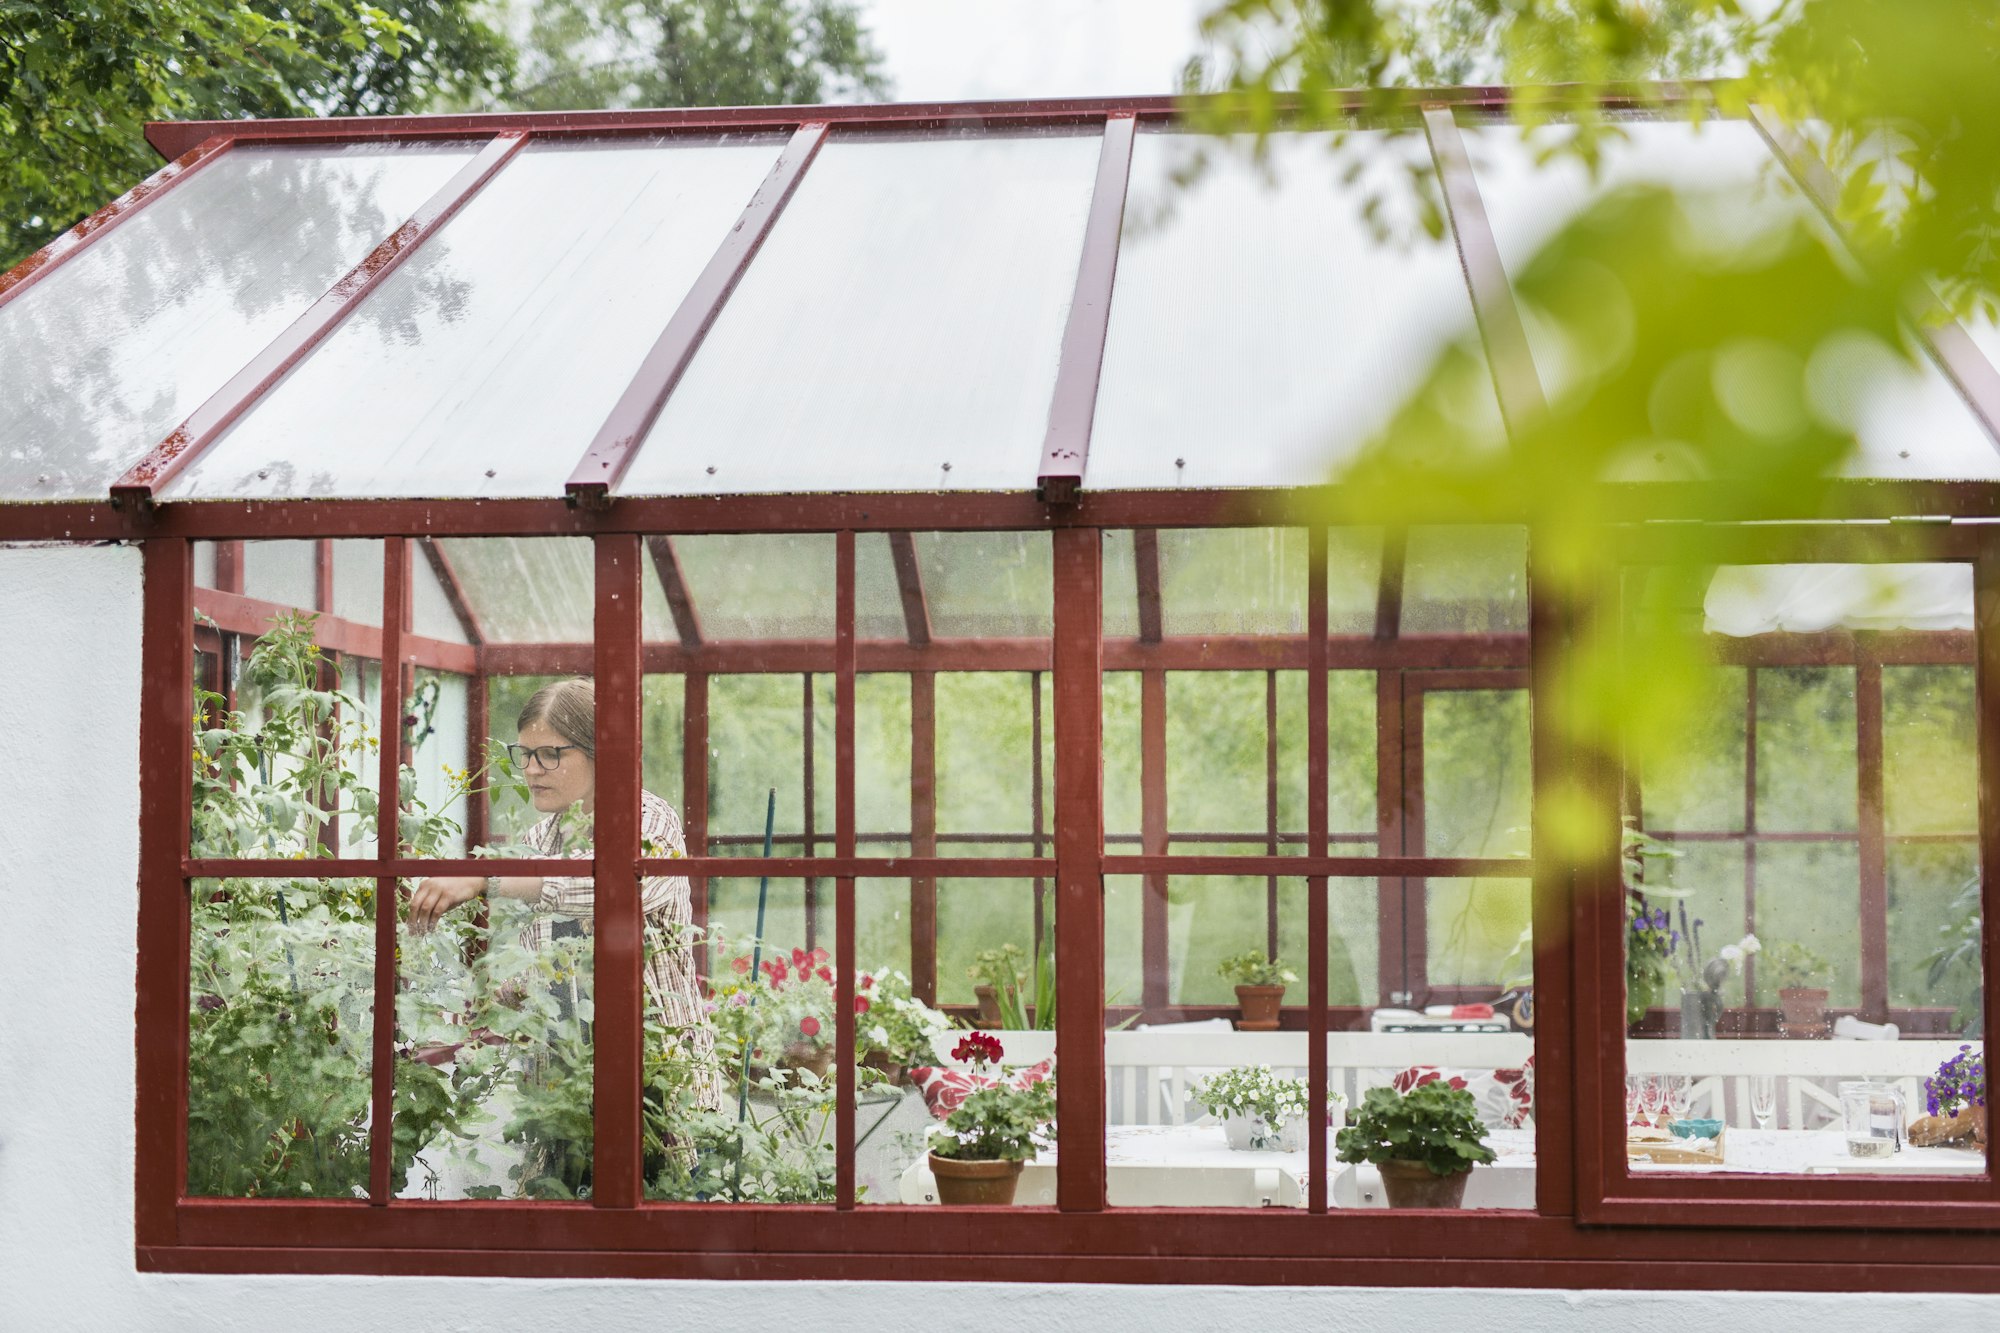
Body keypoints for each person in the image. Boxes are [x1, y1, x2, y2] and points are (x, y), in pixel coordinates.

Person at [409, 678, 722, 1120]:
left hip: (659, 1088)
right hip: (566, 1096)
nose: (532, 769)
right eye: (524, 755)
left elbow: (609, 886)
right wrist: (490, 999)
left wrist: (487, 878)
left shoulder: (650, 821)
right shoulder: (541, 838)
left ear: (600, 752)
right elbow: (551, 964)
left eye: (550, 754)